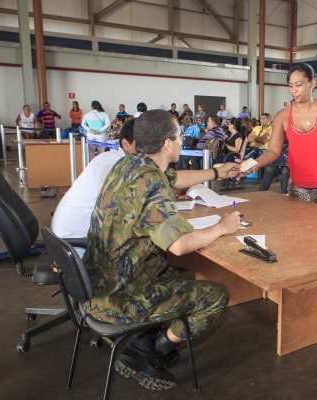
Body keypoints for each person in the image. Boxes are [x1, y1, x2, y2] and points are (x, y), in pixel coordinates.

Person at [83, 110, 241, 390]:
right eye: (180, 137)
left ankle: (144, 337)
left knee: (194, 279)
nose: (182, 141)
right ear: (167, 144)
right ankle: (147, 352)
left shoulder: (130, 165)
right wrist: (222, 227)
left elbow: (175, 178)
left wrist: (217, 171)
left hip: (100, 280)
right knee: (216, 295)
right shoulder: (151, 185)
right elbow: (179, 245)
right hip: (121, 295)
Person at [243, 63, 317, 206]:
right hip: (297, 186)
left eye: (298, 85)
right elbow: (274, 150)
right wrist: (255, 163)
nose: (294, 90)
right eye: (290, 85)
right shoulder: (282, 116)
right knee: (299, 227)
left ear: (312, 83)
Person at [51, 119, 137, 244]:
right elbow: (122, 211)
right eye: (142, 144)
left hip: (69, 237)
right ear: (126, 144)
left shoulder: (112, 158)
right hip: (75, 242)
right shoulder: (114, 165)